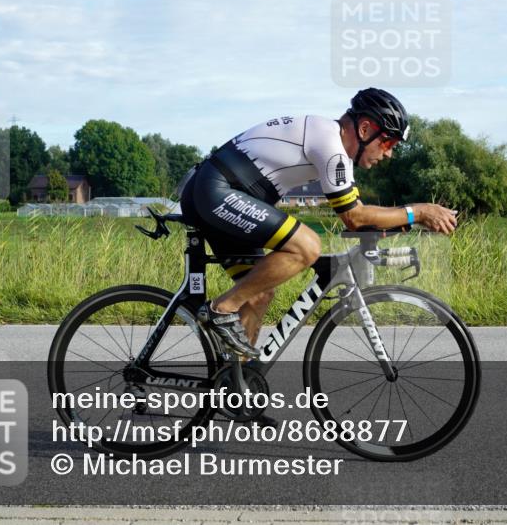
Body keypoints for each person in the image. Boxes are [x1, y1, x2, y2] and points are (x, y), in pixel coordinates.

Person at [179, 88, 458, 357]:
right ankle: (220, 309)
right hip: (216, 190)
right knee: (307, 246)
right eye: (388, 143)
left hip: (226, 194)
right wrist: (419, 212)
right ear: (364, 129)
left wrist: (402, 222)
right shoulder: (330, 145)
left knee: (257, 295)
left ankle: (234, 382)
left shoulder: (335, 149)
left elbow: (358, 217)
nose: (389, 153)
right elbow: (354, 217)